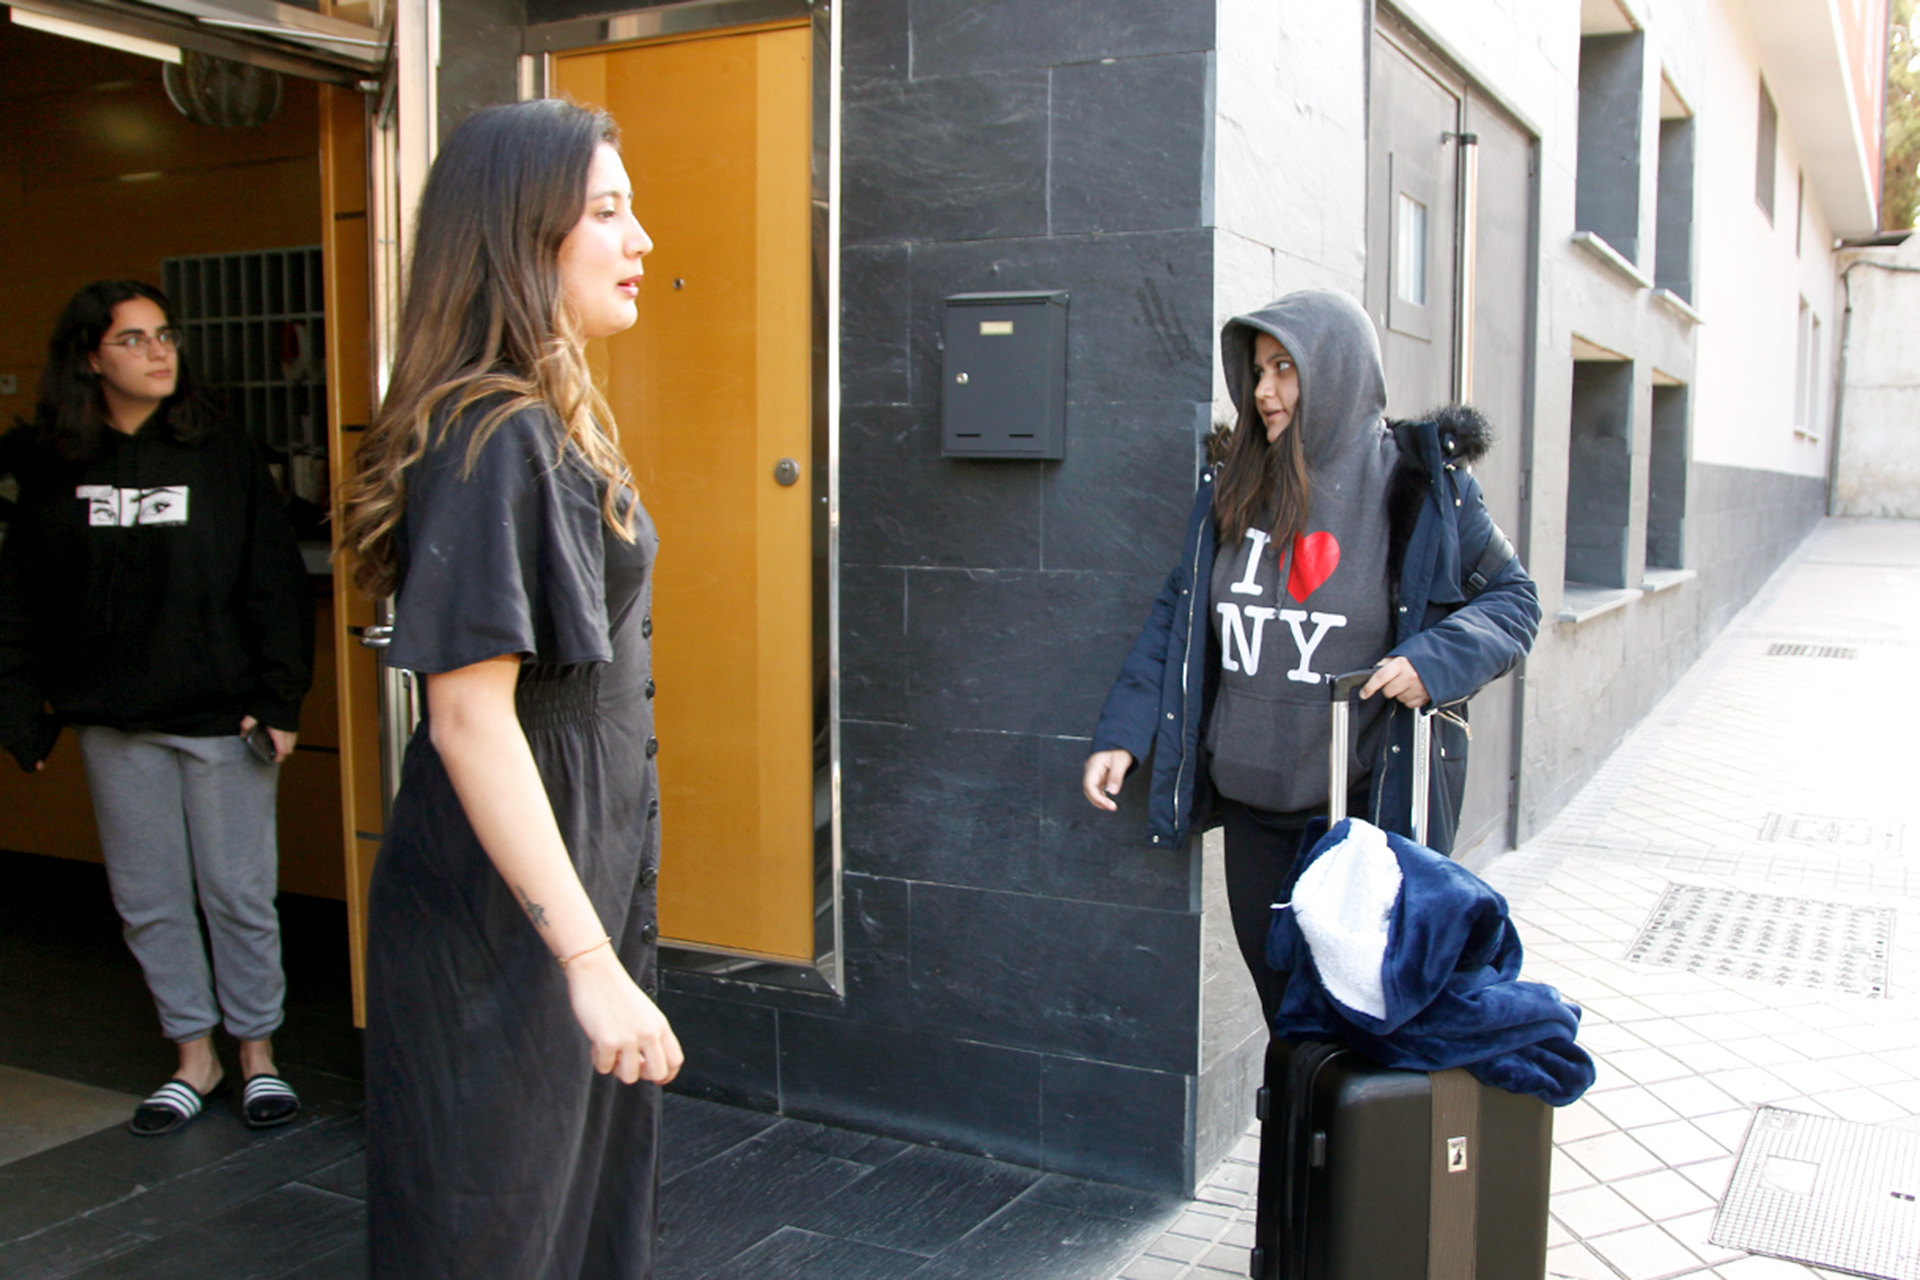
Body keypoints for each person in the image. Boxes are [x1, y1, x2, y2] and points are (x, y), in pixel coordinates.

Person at [339, 99, 683, 1280]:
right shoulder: (493, 434)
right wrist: (588, 964)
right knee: (494, 1224)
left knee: (569, 1215)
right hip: (502, 932)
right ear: (519, 235)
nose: (641, 239)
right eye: (607, 211)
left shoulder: (546, 417)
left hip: (559, 893)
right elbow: (470, 716)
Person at [1082, 289, 1540, 1026]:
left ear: (1338, 370)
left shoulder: (1423, 488)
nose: (1263, 391)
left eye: (1285, 368)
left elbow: (1515, 601)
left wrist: (1436, 658)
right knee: (1286, 1020)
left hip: (1358, 816)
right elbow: (1181, 616)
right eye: (1258, 371)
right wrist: (1124, 733)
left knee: (1358, 1023)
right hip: (1255, 817)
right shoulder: (1235, 487)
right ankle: (1297, 1138)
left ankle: (1340, 1141)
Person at [0, 280, 314, 1135]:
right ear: (90, 358)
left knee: (237, 894)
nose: (158, 350)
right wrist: (23, 710)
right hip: (114, 720)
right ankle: (193, 1056)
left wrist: (280, 698)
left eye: (164, 334)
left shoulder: (219, 452)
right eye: (134, 339)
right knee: (149, 898)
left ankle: (259, 1057)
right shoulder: (54, 464)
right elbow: (22, 594)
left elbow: (274, 578)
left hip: (225, 720)